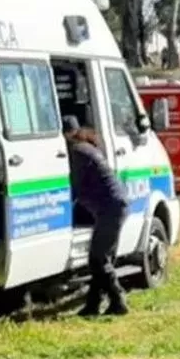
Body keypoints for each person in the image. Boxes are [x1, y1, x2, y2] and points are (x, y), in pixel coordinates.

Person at [62, 116, 130, 317]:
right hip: (114, 205)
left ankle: (118, 300)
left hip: (109, 207)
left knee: (98, 259)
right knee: (101, 258)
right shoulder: (87, 147)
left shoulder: (77, 152)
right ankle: (93, 304)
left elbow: (74, 185)